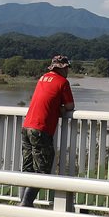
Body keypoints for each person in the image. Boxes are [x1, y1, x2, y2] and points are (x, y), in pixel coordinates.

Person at [19, 54, 75, 207]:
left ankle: (22, 203)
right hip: (41, 129)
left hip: (27, 126)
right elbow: (70, 106)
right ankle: (26, 204)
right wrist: (60, 108)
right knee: (42, 169)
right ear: (61, 68)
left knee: (28, 168)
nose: (68, 71)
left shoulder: (43, 78)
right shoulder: (63, 82)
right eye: (67, 68)